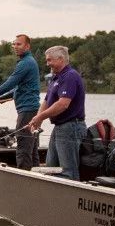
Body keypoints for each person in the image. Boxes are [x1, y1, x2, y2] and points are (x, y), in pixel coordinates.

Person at [24, 45, 86, 177]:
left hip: (71, 127)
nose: (47, 64)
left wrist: (40, 117)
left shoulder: (70, 76)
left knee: (68, 170)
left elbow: (63, 104)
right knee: (51, 167)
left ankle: (71, 194)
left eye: (49, 60)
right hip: (60, 127)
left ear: (61, 59)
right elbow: (47, 101)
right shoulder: (56, 78)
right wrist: (38, 119)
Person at [0, 33, 40, 169]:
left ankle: (23, 179)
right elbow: (17, 89)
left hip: (27, 110)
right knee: (31, 148)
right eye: (14, 44)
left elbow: (11, 83)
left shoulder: (26, 63)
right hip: (30, 109)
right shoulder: (27, 62)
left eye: (19, 44)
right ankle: (37, 176)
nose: (15, 46)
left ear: (27, 46)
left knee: (23, 147)